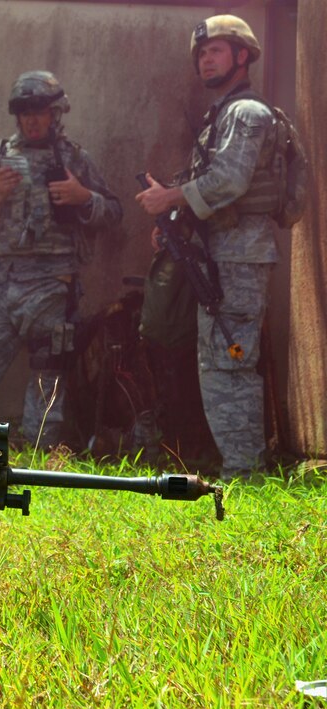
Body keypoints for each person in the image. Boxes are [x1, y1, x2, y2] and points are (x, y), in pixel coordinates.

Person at [0, 71, 122, 448]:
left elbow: (113, 213)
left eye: (40, 111)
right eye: (25, 112)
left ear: (55, 113)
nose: (32, 119)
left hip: (52, 286)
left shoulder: (76, 160)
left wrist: (83, 198)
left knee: (50, 375)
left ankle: (40, 459)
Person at [135, 16, 276, 479]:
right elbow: (208, 185)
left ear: (241, 56)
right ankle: (242, 467)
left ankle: (246, 472)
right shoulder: (222, 114)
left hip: (240, 258)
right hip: (222, 256)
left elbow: (230, 180)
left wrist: (171, 197)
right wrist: (175, 219)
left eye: (215, 50)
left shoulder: (248, 113)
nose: (205, 59)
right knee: (223, 360)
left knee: (232, 361)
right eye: (201, 53)